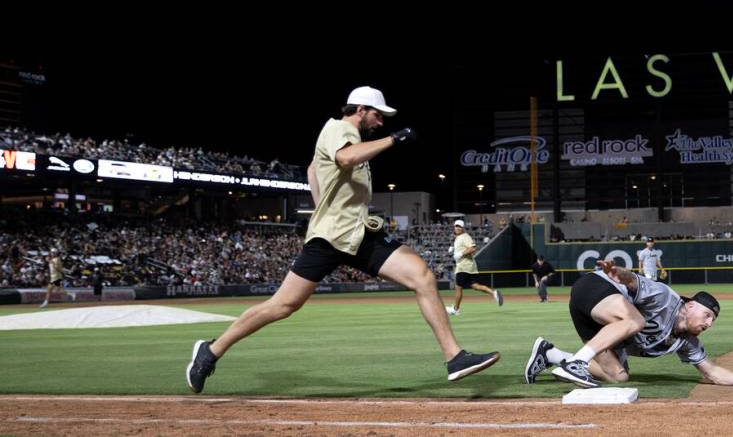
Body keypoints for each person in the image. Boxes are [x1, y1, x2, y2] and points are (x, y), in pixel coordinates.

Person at [186, 86, 499, 393]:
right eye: (377, 115)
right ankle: (211, 351)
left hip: (358, 232)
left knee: (422, 276)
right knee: (283, 305)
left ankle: (454, 357)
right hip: (331, 237)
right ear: (360, 110)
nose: (380, 122)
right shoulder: (338, 128)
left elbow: (313, 168)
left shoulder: (352, 139)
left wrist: (324, 203)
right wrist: (393, 139)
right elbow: (344, 159)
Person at [524, 261, 733, 388]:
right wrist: (619, 272)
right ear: (689, 306)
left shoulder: (686, 342)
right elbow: (632, 282)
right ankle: (577, 364)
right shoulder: (667, 298)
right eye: (707, 315)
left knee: (619, 376)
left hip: (594, 321)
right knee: (636, 320)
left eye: (713, 320)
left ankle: (551, 354)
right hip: (595, 287)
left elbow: (712, 373)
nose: (709, 322)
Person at [446, 219, 502, 315]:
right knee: (475, 286)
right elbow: (462, 248)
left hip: (464, 266)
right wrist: (454, 249)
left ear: (463, 228)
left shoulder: (465, 236)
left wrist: (460, 254)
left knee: (458, 287)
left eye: (459, 226)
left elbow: (473, 248)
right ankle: (493, 293)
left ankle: (456, 309)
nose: (457, 228)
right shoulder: (458, 238)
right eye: (456, 226)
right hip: (469, 267)